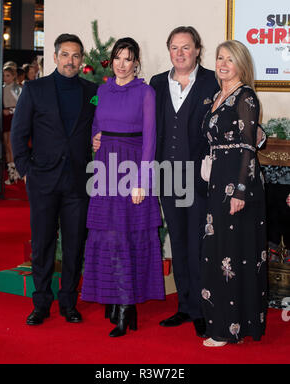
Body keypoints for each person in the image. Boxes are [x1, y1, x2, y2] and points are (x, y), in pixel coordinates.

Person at [11, 34, 98, 325]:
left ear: (81, 60)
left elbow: (101, 128)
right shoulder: (35, 89)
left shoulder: (92, 92)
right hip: (43, 181)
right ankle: (41, 303)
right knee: (43, 244)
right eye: (65, 55)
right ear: (55, 57)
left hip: (78, 181)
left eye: (75, 56)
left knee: (74, 246)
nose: (70, 61)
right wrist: (26, 169)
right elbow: (18, 133)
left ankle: (69, 303)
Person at [81, 37, 165, 337]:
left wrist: (142, 181)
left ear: (136, 63)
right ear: (112, 60)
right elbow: (96, 123)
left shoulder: (145, 92)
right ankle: (115, 299)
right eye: (118, 57)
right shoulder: (102, 90)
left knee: (129, 236)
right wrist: (95, 138)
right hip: (105, 167)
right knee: (107, 236)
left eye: (128, 58)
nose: (121, 63)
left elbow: (151, 139)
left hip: (131, 167)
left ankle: (127, 305)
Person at [150, 26, 219, 337]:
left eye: (186, 47)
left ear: (197, 50)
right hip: (168, 176)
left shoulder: (212, 81)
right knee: (177, 242)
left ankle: (203, 309)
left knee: (198, 244)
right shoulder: (156, 84)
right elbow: (147, 127)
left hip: (199, 176)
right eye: (175, 48)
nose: (180, 53)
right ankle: (185, 306)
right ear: (169, 51)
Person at [200, 40, 267, 347]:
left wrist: (240, 190)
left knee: (234, 255)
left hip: (239, 186)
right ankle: (221, 322)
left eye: (230, 59)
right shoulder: (217, 96)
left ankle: (231, 329)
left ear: (241, 64)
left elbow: (248, 147)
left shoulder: (246, 96)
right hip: (217, 183)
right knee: (219, 252)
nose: (223, 64)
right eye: (219, 58)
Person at [3, 66, 21, 184]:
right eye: (4, 75)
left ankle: (15, 173)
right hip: (5, 118)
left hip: (14, 118)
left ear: (14, 76)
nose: (5, 78)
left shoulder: (17, 88)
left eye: (8, 75)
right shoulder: (2, 88)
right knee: (7, 147)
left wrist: (9, 111)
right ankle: (12, 173)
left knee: (11, 146)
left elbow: (22, 106)